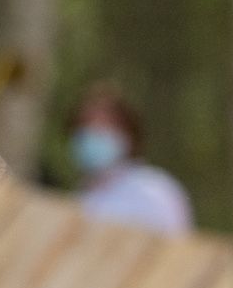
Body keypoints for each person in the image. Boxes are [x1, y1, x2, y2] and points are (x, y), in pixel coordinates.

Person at [69, 84, 193, 236]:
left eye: (105, 125)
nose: (93, 133)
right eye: (86, 125)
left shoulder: (154, 192)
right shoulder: (81, 197)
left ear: (128, 135)